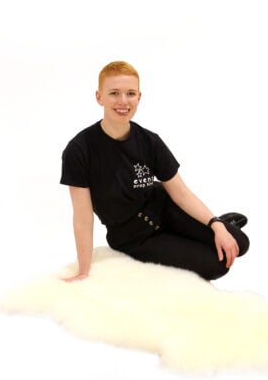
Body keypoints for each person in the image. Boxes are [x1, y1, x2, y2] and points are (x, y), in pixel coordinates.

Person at [60, 61, 249, 282]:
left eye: (130, 93)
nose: (123, 101)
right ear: (99, 97)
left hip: (166, 209)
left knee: (240, 243)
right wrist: (83, 271)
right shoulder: (79, 150)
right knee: (217, 265)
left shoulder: (149, 141)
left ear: (139, 97)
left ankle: (215, 226)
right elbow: (83, 219)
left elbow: (181, 193)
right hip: (134, 237)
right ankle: (191, 236)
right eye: (114, 93)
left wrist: (215, 224)